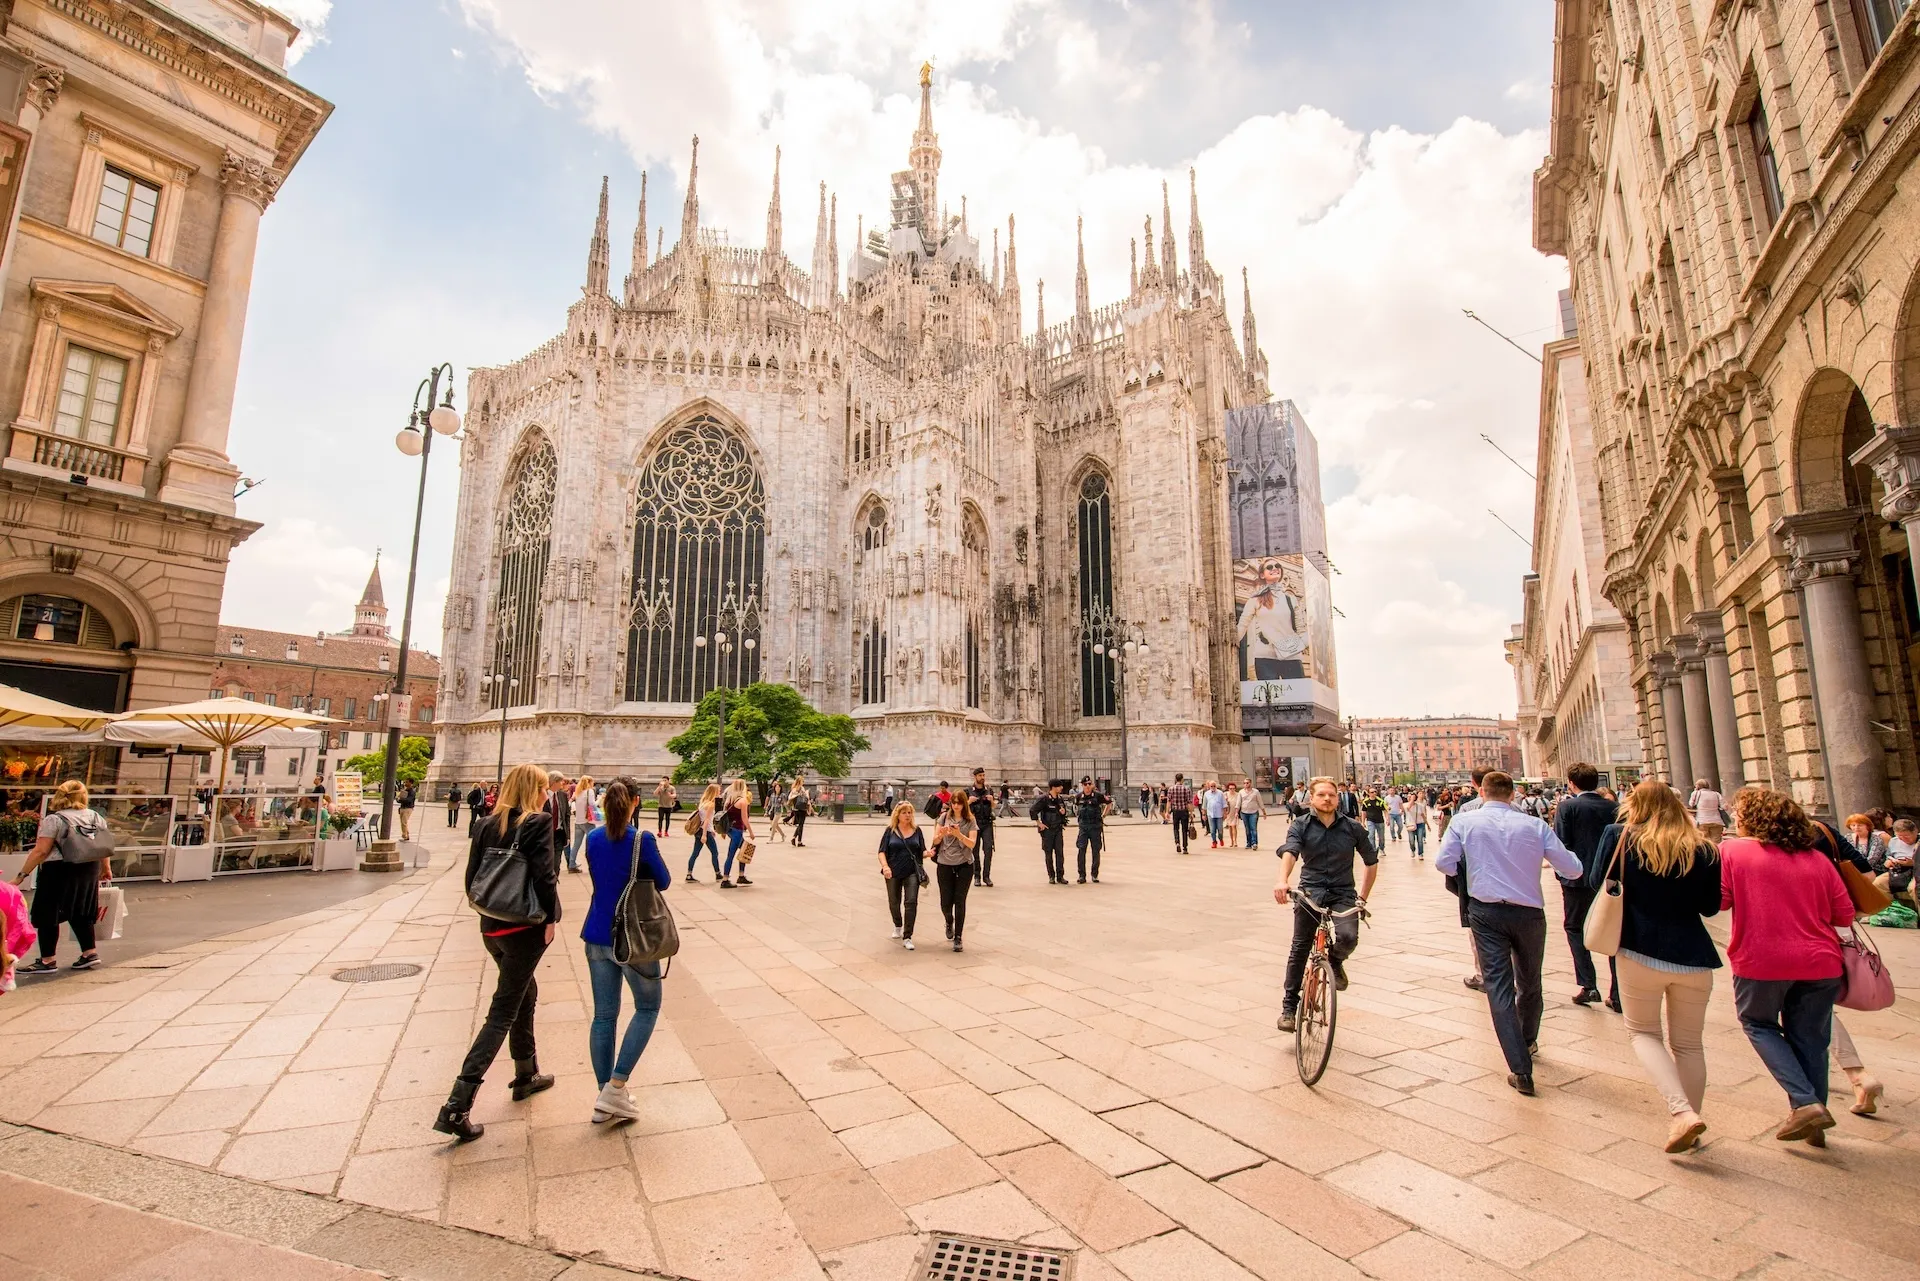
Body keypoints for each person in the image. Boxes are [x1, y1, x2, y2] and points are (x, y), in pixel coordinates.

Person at [1591, 779, 1722, 1152]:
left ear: (1635, 803)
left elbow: (1596, 881)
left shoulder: (1621, 837)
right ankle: (1689, 1121)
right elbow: (1710, 906)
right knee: (1690, 1046)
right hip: (1694, 956)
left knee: (1644, 1034)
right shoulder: (1705, 848)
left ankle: (1682, 1114)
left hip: (1638, 950)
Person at [1435, 771, 1584, 1096]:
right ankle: (1528, 1040)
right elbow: (1572, 868)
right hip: (1529, 912)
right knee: (1530, 982)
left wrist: (1471, 871)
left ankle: (1520, 1069)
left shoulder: (1464, 823)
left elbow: (1444, 862)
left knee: (1499, 987)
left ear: (1482, 793)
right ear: (1513, 794)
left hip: (1486, 912)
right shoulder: (1534, 826)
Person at [1720, 788, 1854, 1145]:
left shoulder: (1733, 852)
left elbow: (1718, 901)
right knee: (1812, 1040)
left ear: (1750, 819)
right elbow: (1845, 913)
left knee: (1758, 1024)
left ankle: (1806, 1103)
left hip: (1761, 959)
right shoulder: (1817, 859)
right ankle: (1814, 1124)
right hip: (1822, 961)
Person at [435, 762, 561, 1142]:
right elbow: (544, 875)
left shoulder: (487, 824)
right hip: (525, 928)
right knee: (502, 1011)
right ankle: (457, 1104)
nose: (545, 794)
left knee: (526, 992)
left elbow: (471, 877)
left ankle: (526, 1073)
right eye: (542, 787)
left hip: (492, 926)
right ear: (533, 789)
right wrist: (551, 918)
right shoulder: (538, 822)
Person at [580, 780, 669, 1124]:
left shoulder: (592, 838)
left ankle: (605, 1095)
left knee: (604, 1016)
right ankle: (615, 1087)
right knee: (647, 1007)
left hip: (596, 933)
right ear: (635, 802)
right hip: (633, 937)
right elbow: (662, 880)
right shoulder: (641, 839)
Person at [1273, 777, 1378, 1032]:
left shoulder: (1353, 828)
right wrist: (1282, 880)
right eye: (1322, 795)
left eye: (1331, 794)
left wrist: (1362, 898)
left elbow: (1371, 861)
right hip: (1311, 891)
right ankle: (1289, 1008)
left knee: (1348, 936)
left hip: (1343, 893)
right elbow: (1291, 852)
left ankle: (1334, 961)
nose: (1327, 799)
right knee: (1299, 948)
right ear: (1312, 798)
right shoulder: (1301, 825)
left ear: (1337, 797)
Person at [10, 780, 110, 974]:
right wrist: (105, 867)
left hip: (59, 870)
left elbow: (41, 851)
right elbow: (103, 845)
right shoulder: (95, 817)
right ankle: (89, 953)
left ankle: (47, 960)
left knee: (48, 912)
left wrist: (21, 876)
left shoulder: (55, 820)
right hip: (88, 867)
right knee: (81, 909)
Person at [1553, 762, 1621, 1010]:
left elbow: (1561, 844)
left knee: (1574, 928)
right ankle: (1618, 992)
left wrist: (1562, 874)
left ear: (1571, 782)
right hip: (1608, 879)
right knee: (1613, 931)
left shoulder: (1567, 806)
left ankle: (1589, 984)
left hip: (1577, 879)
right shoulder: (1615, 807)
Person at [932, 796, 978, 951]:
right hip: (944, 863)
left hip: (964, 864)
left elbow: (972, 843)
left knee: (960, 900)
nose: (956, 805)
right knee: (946, 901)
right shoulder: (943, 817)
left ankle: (958, 937)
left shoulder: (970, 820)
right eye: (954, 803)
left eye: (959, 803)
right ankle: (948, 919)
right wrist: (942, 834)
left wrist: (959, 835)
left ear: (964, 804)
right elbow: (935, 840)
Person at [878, 802, 926, 950]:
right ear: (897, 815)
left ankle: (908, 936)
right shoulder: (890, 831)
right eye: (904, 812)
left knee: (911, 902)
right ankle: (897, 924)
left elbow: (922, 851)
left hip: (912, 871)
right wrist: (885, 867)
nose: (907, 815)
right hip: (892, 871)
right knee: (894, 901)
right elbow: (881, 851)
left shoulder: (917, 831)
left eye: (910, 812)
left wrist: (928, 854)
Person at [1031, 779, 1069, 885]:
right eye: (1059, 786)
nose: (1061, 788)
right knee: (1048, 854)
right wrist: (1039, 823)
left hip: (1058, 829)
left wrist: (1063, 812)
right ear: (1053, 787)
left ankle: (1060, 876)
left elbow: (1063, 813)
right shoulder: (1044, 799)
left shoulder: (1060, 799)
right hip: (1047, 830)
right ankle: (1051, 876)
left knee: (1060, 854)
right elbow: (1033, 810)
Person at [1073, 776, 1110, 883]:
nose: (1088, 786)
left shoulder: (1098, 796)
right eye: (1085, 784)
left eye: (1089, 784)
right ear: (1082, 786)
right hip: (1084, 827)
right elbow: (1076, 808)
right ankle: (1082, 875)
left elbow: (1109, 803)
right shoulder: (1079, 796)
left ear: (1092, 785)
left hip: (1095, 827)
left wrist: (1103, 816)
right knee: (1081, 850)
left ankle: (1094, 875)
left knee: (1095, 851)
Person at [719, 780, 754, 888]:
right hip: (737, 831)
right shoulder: (743, 801)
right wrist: (751, 832)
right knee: (731, 855)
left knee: (745, 850)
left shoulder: (730, 800)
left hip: (730, 829)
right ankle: (725, 879)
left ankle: (741, 875)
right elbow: (744, 819)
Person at [685, 782, 722, 883]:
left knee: (695, 853)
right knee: (715, 853)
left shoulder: (703, 803)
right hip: (704, 831)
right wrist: (705, 834)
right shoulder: (711, 804)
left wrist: (711, 830)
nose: (720, 793)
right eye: (718, 791)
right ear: (714, 792)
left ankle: (689, 874)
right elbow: (706, 820)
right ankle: (718, 873)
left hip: (699, 831)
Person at [968, 768, 996, 887]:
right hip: (974, 824)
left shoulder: (989, 790)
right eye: (980, 775)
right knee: (975, 851)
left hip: (987, 823)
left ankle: (986, 876)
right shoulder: (968, 791)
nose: (982, 777)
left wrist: (992, 801)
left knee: (988, 849)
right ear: (975, 777)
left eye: (983, 775)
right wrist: (969, 802)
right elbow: (961, 807)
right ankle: (977, 876)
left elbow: (994, 807)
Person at [568, 775, 597, 872]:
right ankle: (593, 864)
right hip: (588, 821)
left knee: (576, 844)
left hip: (578, 821)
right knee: (592, 844)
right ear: (589, 782)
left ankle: (571, 864)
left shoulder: (578, 792)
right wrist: (600, 800)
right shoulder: (590, 791)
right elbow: (592, 805)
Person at [545, 774, 574, 873]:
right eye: (561, 781)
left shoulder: (562, 795)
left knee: (556, 864)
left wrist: (568, 835)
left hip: (559, 834)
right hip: (545, 834)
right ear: (554, 782)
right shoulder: (542, 795)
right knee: (546, 862)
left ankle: (553, 884)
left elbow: (567, 816)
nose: (563, 783)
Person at [1166, 774, 1194, 855]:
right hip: (1184, 811)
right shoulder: (1187, 789)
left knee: (1176, 828)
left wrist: (1167, 812)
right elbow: (1189, 802)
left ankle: (1177, 842)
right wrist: (1191, 813)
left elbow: (1169, 801)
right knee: (1185, 830)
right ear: (1182, 779)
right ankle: (1185, 848)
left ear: (1176, 779)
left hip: (1175, 811)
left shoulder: (1171, 789)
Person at [1238, 780, 1266, 850]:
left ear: (1250, 783)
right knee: (1247, 829)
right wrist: (1236, 812)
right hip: (1244, 812)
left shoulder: (1255, 792)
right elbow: (1238, 803)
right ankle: (1249, 843)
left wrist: (1264, 812)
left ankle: (1254, 843)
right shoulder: (1241, 792)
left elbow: (1260, 802)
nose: (1246, 784)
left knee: (1253, 828)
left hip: (1253, 812)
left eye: (1247, 783)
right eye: (1244, 783)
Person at [1203, 781, 1228, 848]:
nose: (1213, 787)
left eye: (1214, 786)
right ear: (1209, 787)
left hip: (1219, 814)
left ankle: (1221, 838)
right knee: (1212, 830)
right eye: (1211, 786)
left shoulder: (1220, 793)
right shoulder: (1206, 794)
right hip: (1210, 814)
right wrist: (1204, 814)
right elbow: (1204, 805)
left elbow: (1224, 804)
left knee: (1220, 829)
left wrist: (1225, 813)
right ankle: (1214, 841)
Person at [787, 779, 812, 847]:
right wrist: (809, 808)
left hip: (795, 809)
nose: (803, 782)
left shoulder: (793, 789)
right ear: (800, 782)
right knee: (801, 825)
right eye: (803, 781)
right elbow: (806, 798)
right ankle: (799, 841)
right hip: (802, 808)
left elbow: (790, 798)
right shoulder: (802, 788)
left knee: (799, 825)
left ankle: (794, 838)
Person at [1406, 793, 1429, 859]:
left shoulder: (1419, 806)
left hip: (1420, 824)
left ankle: (1420, 853)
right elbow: (1408, 808)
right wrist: (1411, 801)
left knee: (1420, 839)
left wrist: (1427, 825)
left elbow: (1423, 816)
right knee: (1411, 840)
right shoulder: (1406, 805)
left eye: (1413, 797)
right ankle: (1413, 850)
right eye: (1410, 797)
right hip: (1411, 824)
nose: (1412, 798)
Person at [1223, 783, 1242, 848]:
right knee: (1230, 827)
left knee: (1234, 826)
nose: (1232, 790)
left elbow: (1239, 803)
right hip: (1229, 812)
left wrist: (1238, 811)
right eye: (1230, 788)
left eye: (1233, 788)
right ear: (1228, 789)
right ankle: (1232, 841)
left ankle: (1235, 841)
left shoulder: (1238, 794)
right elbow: (1223, 803)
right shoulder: (1225, 794)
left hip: (1235, 812)